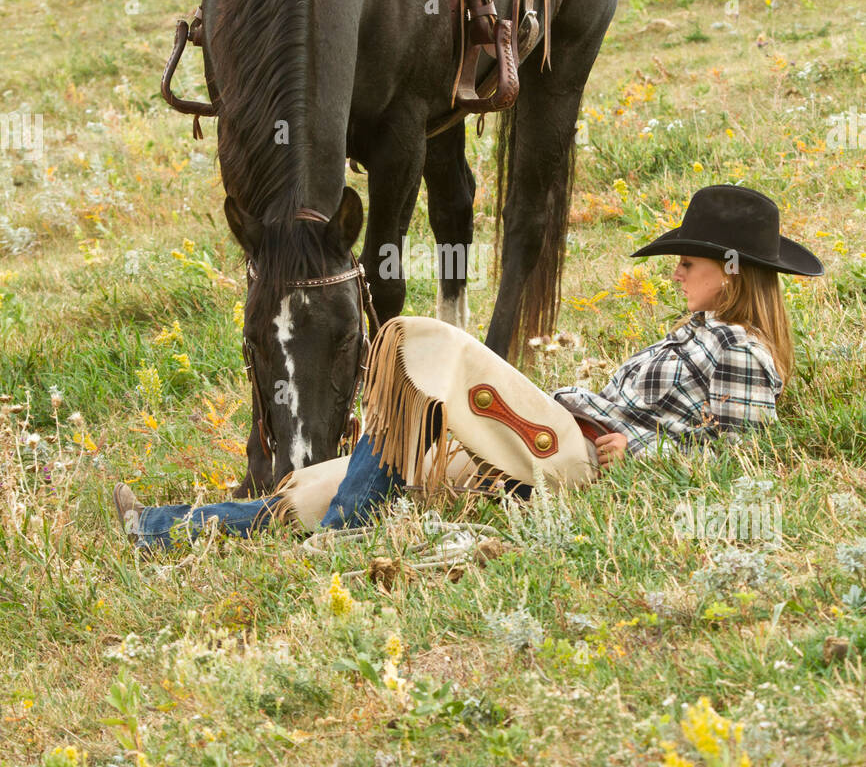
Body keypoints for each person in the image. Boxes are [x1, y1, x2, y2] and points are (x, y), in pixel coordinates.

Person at [114, 185, 823, 549]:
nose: (676, 274)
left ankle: (344, 539)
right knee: (312, 488)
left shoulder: (744, 354)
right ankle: (158, 530)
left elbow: (734, 446)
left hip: (572, 453)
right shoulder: (702, 331)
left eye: (689, 264)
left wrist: (639, 447)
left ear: (730, 275)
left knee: (428, 348)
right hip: (545, 441)